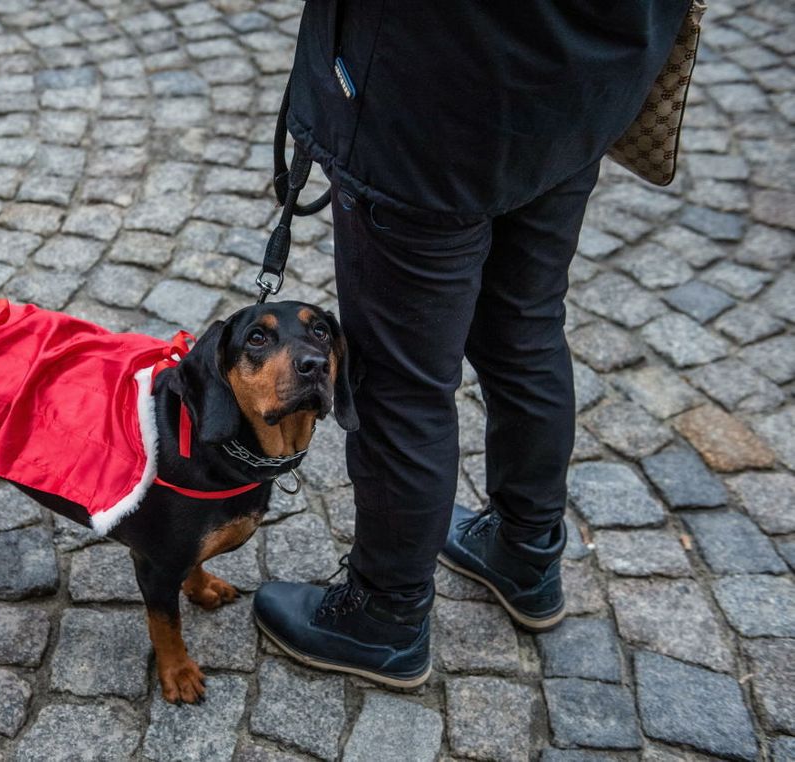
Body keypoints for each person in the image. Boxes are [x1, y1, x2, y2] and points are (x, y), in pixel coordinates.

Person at [253, 1, 691, 686]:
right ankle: (525, 550)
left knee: (403, 380)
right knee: (527, 325)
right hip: (586, 75)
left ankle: (385, 618)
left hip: (433, 94)